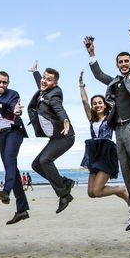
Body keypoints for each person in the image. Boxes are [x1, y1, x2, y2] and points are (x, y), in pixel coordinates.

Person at [86, 21, 130, 233]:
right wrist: (91, 53)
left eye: (126, 61)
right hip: (119, 130)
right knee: (126, 172)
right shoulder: (114, 81)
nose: (123, 64)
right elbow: (98, 75)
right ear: (117, 65)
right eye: (120, 62)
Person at [27, 61, 76, 213]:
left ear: (55, 84)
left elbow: (58, 108)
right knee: (36, 165)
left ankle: (63, 195)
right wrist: (36, 72)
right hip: (55, 138)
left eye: (48, 79)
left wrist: (65, 120)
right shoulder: (44, 91)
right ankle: (65, 182)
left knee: (45, 160)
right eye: (43, 77)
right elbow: (40, 83)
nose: (44, 80)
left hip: (65, 137)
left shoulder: (54, 94)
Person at [78, 70, 129, 205]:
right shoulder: (91, 119)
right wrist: (81, 86)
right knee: (91, 193)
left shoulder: (110, 119)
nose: (97, 105)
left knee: (98, 191)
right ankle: (122, 193)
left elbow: (129, 121)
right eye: (95, 103)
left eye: (100, 103)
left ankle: (121, 189)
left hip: (106, 154)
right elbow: (84, 102)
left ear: (105, 104)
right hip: (94, 154)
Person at [0, 71, 30, 225]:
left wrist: (17, 110)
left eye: (4, 83)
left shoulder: (12, 94)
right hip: (1, 134)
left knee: (10, 159)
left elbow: (15, 105)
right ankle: (22, 210)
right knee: (11, 168)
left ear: (8, 84)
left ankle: (6, 192)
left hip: (14, 132)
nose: (1, 85)